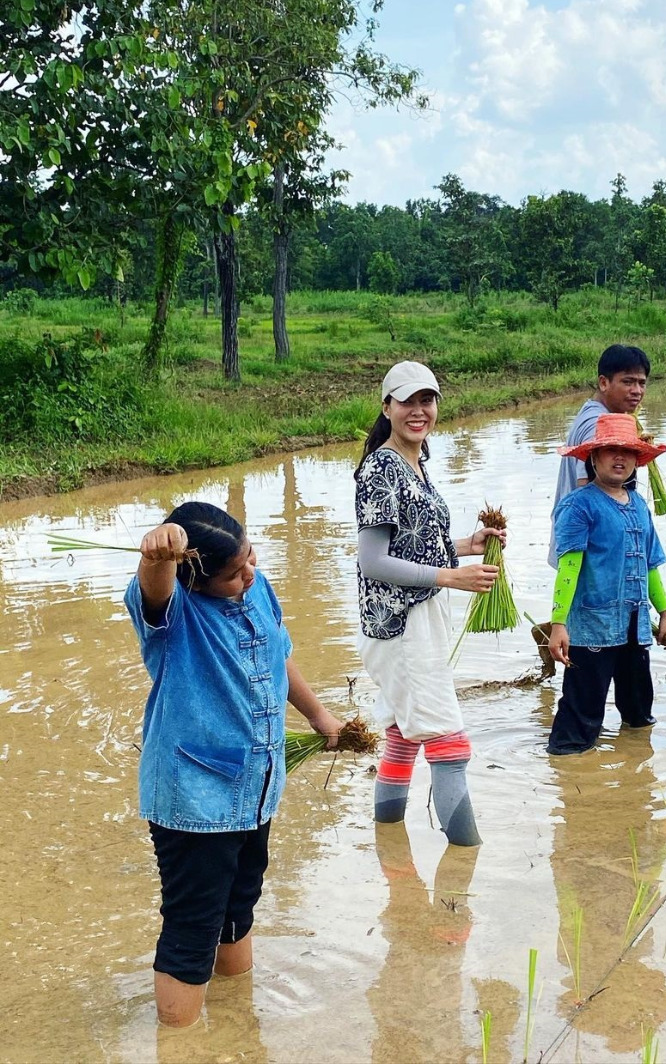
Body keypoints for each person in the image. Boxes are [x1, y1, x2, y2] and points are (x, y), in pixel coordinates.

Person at [124, 502, 343, 1028]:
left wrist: (319, 715)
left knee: (240, 904)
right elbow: (152, 588)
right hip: (195, 800)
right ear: (193, 579)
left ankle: (236, 1026)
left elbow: (278, 654)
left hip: (256, 787)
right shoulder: (175, 614)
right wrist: (157, 554)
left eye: (250, 557)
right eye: (232, 572)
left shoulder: (257, 587)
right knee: (192, 926)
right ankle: (179, 1043)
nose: (248, 573)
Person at [354, 360, 503, 847]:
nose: (419, 411)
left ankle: (392, 862)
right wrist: (450, 577)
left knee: (401, 732)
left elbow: (411, 543)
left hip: (415, 619)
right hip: (401, 624)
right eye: (407, 401)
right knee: (448, 741)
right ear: (386, 407)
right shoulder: (380, 468)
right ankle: (463, 886)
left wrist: (466, 544)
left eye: (427, 400)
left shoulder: (414, 462)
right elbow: (373, 561)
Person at [546, 413, 666, 754]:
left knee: (639, 716)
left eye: (628, 452)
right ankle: (569, 774)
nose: (620, 458)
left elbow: (650, 566)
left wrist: (665, 613)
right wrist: (559, 623)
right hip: (593, 627)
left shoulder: (639, 506)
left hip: (634, 627)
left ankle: (634, 777)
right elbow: (568, 568)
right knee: (581, 717)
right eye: (610, 450)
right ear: (593, 456)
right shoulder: (578, 505)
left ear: (637, 460)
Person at [537, 344, 666, 676]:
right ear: (603, 382)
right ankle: (556, 629)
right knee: (592, 639)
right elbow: (589, 496)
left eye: (641, 382)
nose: (637, 390)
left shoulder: (611, 419)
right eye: (627, 381)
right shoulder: (595, 425)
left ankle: (552, 629)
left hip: (606, 551)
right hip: (591, 550)